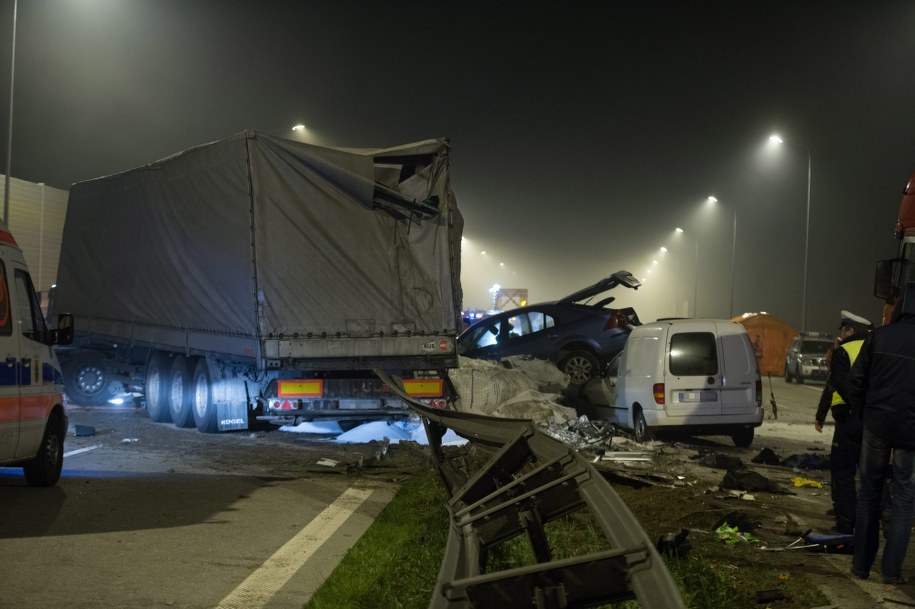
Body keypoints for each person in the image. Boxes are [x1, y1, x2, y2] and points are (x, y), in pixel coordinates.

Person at [848, 286, 915, 584]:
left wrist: (865, 412)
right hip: (911, 434)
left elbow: (856, 380)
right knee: (903, 500)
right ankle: (891, 572)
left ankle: (861, 566)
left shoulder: (881, 335)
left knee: (869, 495)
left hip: (876, 426)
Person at [813, 310, 873, 534]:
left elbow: (836, 383)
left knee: (843, 472)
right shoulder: (874, 348)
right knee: (870, 475)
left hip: (849, 420)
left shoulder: (843, 351)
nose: (841, 335)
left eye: (843, 330)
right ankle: (868, 522)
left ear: (850, 330)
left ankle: (846, 524)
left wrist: (821, 415)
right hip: (873, 421)